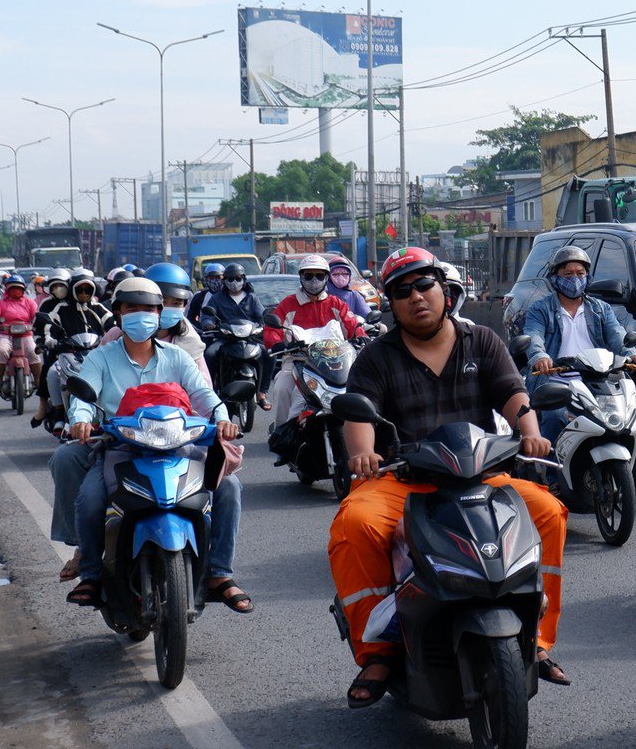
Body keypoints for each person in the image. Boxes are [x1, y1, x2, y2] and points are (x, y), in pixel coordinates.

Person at [329, 247, 573, 703]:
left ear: (446, 290)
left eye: (425, 285)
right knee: (354, 524)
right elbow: (358, 415)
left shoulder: (481, 340)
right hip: (403, 482)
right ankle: (378, 650)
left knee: (547, 511)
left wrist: (531, 434)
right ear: (391, 302)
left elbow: (514, 395)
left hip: (478, 476)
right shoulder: (377, 357)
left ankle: (537, 638)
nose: (416, 297)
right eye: (403, 291)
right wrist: (362, 455)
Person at [63, 277, 247, 611]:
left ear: (160, 314)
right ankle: (89, 574)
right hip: (120, 449)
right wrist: (80, 419)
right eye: (132, 308)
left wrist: (222, 416)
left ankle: (219, 573)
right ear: (118, 313)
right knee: (90, 498)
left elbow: (203, 394)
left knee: (229, 487)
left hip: (178, 446)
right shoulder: (100, 358)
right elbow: (84, 397)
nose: (140, 315)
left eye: (148, 309)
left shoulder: (177, 357)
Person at [519, 245, 636, 440]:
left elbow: (617, 335)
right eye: (568, 274)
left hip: (597, 380)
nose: (575, 278)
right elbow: (533, 335)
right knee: (554, 418)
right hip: (557, 381)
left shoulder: (601, 309)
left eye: (580, 273)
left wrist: (633, 354)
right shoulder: (540, 309)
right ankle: (554, 468)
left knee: (628, 417)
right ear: (555, 278)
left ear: (588, 277)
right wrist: (540, 356)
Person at [262, 254, 365, 434]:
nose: (314, 280)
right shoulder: (288, 304)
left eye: (319, 276)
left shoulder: (336, 304)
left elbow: (352, 325)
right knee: (281, 388)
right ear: (301, 278)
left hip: (334, 361)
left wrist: (360, 335)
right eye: (308, 276)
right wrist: (277, 343)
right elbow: (273, 328)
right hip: (297, 360)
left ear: (326, 278)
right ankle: (282, 434)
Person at [37, 271, 114, 426]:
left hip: (95, 353)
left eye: (88, 290)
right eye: (80, 290)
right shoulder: (61, 308)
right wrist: (50, 340)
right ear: (73, 290)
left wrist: (116, 336)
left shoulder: (98, 308)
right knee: (52, 372)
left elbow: (112, 324)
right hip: (68, 353)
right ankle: (59, 411)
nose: (84, 293)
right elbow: (49, 328)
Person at [0, 277, 40, 396]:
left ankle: (38, 380)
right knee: (1, 350)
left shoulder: (29, 302)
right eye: (13, 288)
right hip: (6, 334)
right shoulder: (1, 302)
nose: (16, 290)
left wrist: (39, 324)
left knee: (33, 351)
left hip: (26, 334)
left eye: (18, 288)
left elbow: (37, 316)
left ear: (23, 289)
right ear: (7, 289)